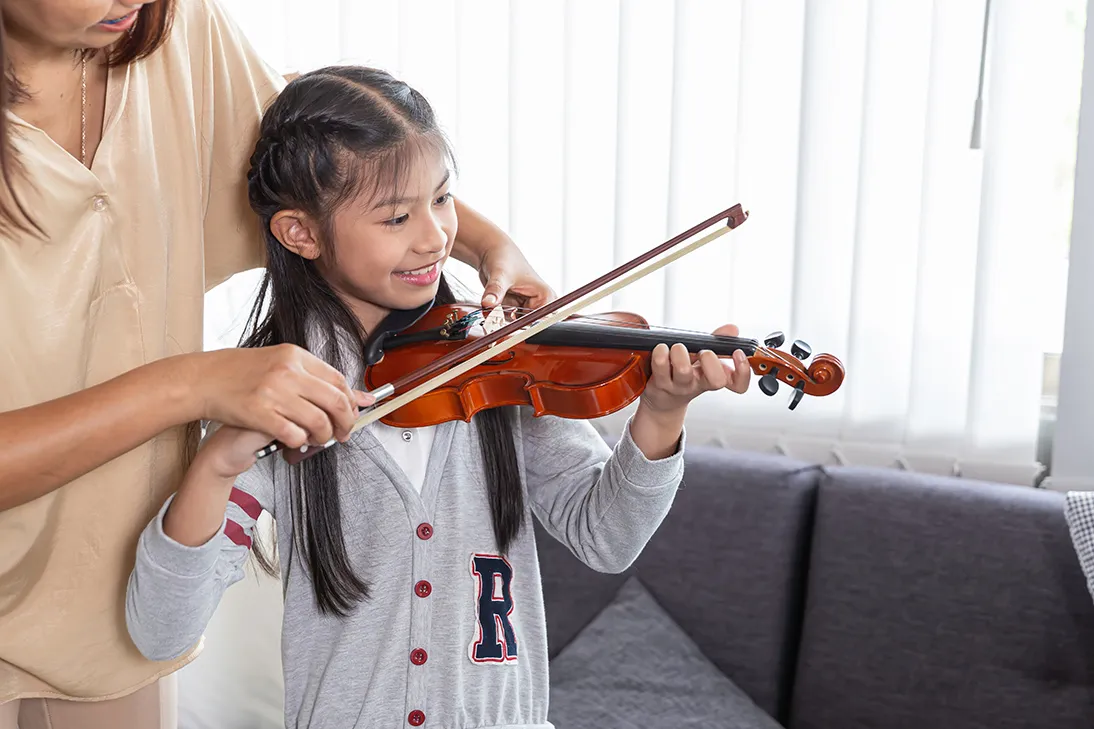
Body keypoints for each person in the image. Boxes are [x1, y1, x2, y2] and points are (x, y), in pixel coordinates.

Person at [123, 65, 753, 729]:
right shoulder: (278, 396)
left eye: (444, 199)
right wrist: (218, 461)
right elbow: (159, 632)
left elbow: (607, 537)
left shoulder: (499, 361)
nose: (434, 237)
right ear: (300, 233)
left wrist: (660, 412)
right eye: (397, 216)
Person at [0, 0, 553, 727]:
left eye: (438, 203)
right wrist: (199, 384)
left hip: (109, 608)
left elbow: (324, 151)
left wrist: (483, 243)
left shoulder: (171, 28)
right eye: (403, 217)